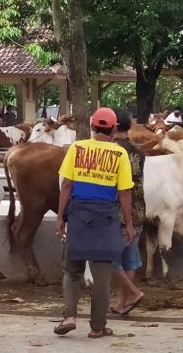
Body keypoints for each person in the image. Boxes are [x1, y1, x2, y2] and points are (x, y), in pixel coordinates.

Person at [53, 107, 135, 338]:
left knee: (72, 270)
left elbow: (66, 185)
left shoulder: (77, 149)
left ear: (92, 127)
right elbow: (124, 193)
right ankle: (97, 327)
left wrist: (60, 216)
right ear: (114, 128)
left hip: (78, 215)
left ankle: (69, 316)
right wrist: (128, 224)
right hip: (106, 217)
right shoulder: (120, 155)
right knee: (101, 275)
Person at [110, 109, 145, 316]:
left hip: (117, 212)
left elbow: (122, 188)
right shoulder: (138, 151)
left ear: (114, 127)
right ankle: (122, 302)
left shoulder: (111, 151)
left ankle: (132, 293)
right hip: (139, 210)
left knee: (109, 259)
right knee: (129, 259)